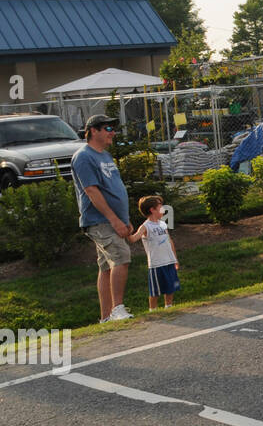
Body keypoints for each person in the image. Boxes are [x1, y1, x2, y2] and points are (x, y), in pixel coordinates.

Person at [70, 114, 134, 323]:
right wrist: (114, 220)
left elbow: (114, 187)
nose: (113, 133)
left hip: (113, 219)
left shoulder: (105, 155)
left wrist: (124, 218)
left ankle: (106, 317)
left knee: (106, 266)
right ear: (93, 131)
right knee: (121, 257)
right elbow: (91, 190)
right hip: (99, 220)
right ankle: (118, 310)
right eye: (108, 128)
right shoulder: (84, 157)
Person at [130, 196, 180, 311]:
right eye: (160, 206)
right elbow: (133, 239)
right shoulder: (145, 226)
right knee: (155, 291)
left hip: (169, 260)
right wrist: (127, 230)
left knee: (170, 287)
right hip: (156, 263)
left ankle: (169, 307)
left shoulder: (162, 224)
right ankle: (153, 310)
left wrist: (175, 259)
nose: (163, 209)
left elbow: (169, 241)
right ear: (152, 209)